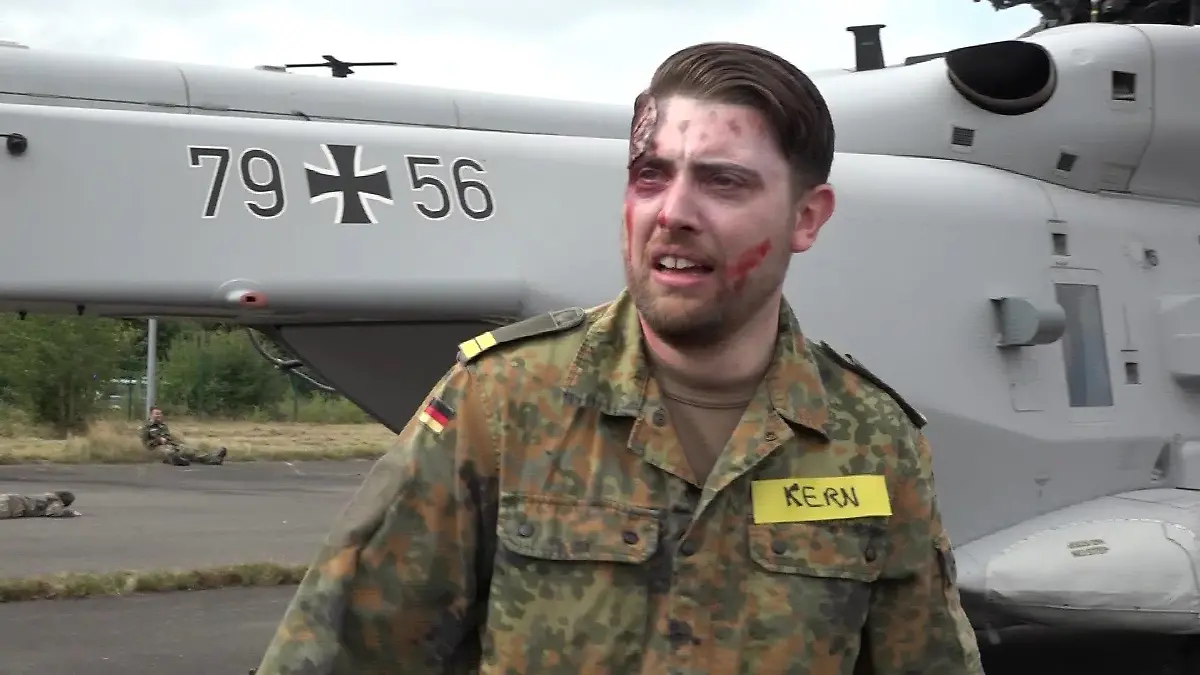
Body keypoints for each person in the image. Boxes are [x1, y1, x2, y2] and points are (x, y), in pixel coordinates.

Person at [254, 42, 983, 674]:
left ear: (807, 217)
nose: (673, 212)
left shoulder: (872, 440)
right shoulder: (503, 402)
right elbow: (341, 649)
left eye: (723, 181)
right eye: (651, 175)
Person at [140, 406, 227, 467]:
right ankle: (176, 460)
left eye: (160, 414)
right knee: (168, 451)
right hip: (156, 448)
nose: (159, 416)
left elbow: (168, 438)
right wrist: (158, 441)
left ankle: (214, 459)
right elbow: (145, 443)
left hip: (170, 445)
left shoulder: (163, 425)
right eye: (157, 414)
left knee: (190, 450)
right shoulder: (146, 427)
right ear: (151, 415)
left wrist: (178, 443)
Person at [0, 490, 80, 519]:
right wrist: (72, 513)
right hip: (16, 506)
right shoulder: (55, 504)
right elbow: (56, 512)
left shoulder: (46, 496)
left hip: (13, 498)